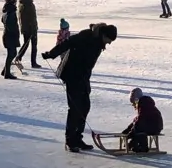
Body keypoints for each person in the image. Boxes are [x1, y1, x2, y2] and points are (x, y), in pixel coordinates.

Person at [43, 22, 119, 153]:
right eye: (109, 40)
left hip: (83, 77)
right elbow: (67, 42)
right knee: (75, 108)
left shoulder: (99, 42)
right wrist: (52, 54)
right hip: (72, 75)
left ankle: (78, 138)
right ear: (104, 35)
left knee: (85, 106)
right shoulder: (86, 36)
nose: (109, 43)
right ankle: (70, 140)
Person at [121, 87, 164, 154]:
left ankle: (143, 147)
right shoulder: (144, 103)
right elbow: (137, 119)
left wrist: (131, 133)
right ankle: (134, 145)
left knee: (138, 129)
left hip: (155, 127)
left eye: (133, 103)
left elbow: (140, 119)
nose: (133, 105)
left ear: (136, 99)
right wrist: (128, 129)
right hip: (152, 125)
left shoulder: (144, 104)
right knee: (138, 127)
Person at [0, 0, 21, 79]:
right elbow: (10, 25)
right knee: (11, 54)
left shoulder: (6, 11)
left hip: (8, 35)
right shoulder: (10, 12)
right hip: (10, 35)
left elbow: (3, 20)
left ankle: (5, 70)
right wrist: (15, 33)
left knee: (12, 53)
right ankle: (7, 73)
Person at [18, 0, 40, 68]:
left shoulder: (22, 3)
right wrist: (34, 29)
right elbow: (32, 18)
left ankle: (19, 56)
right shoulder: (29, 4)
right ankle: (33, 63)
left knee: (26, 44)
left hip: (25, 27)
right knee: (33, 45)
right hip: (30, 28)